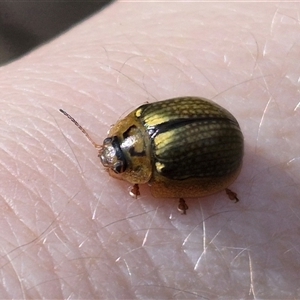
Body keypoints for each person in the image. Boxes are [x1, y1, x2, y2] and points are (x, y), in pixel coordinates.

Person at [0, 2, 298, 298]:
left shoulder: (157, 162)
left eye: (117, 167)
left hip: (221, 153)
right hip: (198, 119)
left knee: (173, 179)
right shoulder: (143, 118)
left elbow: (187, 186)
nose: (107, 160)